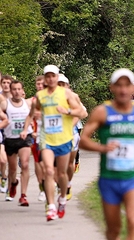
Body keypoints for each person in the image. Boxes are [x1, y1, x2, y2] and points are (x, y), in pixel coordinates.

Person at [79, 68, 134, 240]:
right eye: (119, 85)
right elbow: (83, 140)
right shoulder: (102, 112)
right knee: (114, 230)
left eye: (127, 85)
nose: (123, 90)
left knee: (133, 220)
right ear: (112, 88)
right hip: (109, 179)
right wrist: (102, 148)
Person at [20, 65, 87, 221]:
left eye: (53, 76)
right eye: (47, 76)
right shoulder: (41, 95)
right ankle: (51, 207)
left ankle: (62, 198)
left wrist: (68, 112)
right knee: (49, 171)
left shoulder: (66, 94)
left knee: (62, 174)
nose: (50, 79)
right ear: (45, 78)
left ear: (57, 77)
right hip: (46, 139)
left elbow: (82, 112)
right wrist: (25, 129)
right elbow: (31, 114)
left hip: (64, 139)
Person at [1, 80, 33, 205]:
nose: (17, 92)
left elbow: (35, 114)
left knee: (25, 164)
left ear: (22, 90)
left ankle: (23, 195)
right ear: (11, 90)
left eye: (19, 89)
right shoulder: (5, 104)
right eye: (14, 89)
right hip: (10, 138)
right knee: (13, 169)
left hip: (25, 137)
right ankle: (13, 183)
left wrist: (29, 128)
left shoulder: (28, 103)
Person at [57, 74, 88, 201]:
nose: (61, 87)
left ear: (68, 86)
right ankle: (58, 182)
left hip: (71, 133)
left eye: (63, 84)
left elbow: (82, 113)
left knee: (70, 163)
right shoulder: (49, 96)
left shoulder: (73, 97)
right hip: (53, 134)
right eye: (59, 84)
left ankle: (67, 183)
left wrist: (69, 126)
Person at [0, 74, 13, 193]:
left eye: (8, 83)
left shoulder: (16, 96)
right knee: (3, 160)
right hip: (1, 130)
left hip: (13, 132)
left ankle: (9, 183)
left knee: (11, 161)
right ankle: (3, 177)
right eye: (3, 82)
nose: (5, 85)